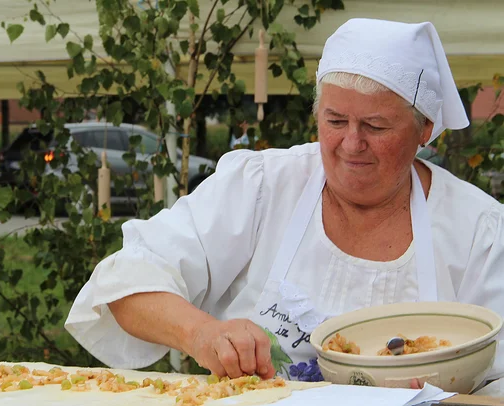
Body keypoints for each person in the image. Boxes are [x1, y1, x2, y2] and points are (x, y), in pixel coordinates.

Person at [65, 19, 504, 383]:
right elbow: (127, 280)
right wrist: (202, 334)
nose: (352, 144)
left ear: (424, 129)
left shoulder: (477, 231)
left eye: (376, 126)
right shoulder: (261, 186)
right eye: (334, 120)